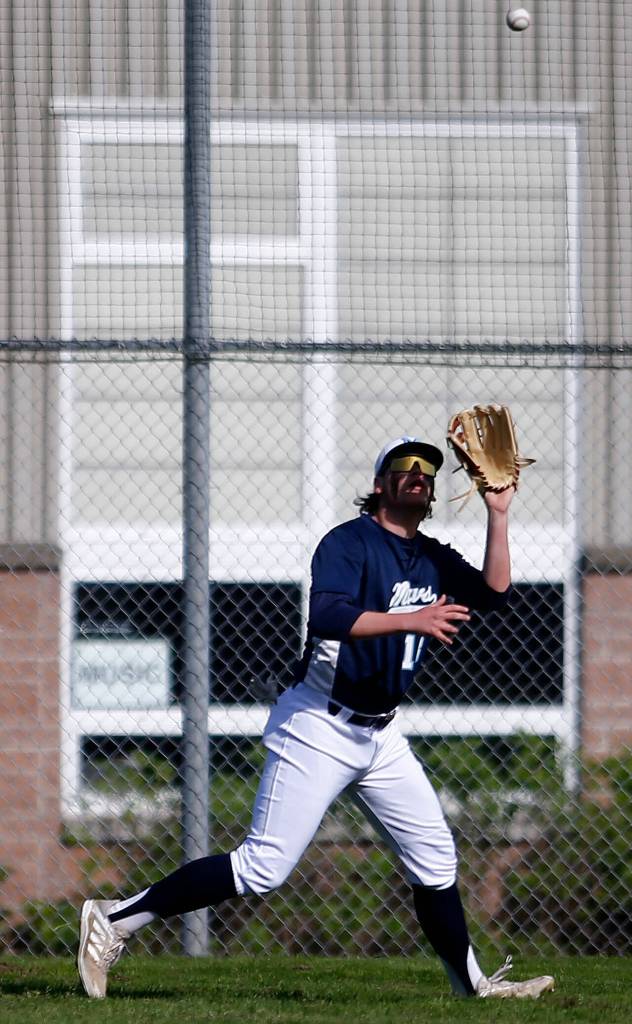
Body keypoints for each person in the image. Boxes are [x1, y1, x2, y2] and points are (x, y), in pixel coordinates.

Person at [77, 435, 554, 1000]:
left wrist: (499, 514)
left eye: (429, 468)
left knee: (435, 857)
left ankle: (471, 987)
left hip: (380, 734)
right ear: (380, 484)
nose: (419, 473)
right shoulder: (347, 543)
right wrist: (411, 619)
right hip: (318, 724)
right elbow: (328, 615)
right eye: (405, 465)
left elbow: (495, 594)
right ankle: (114, 920)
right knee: (263, 869)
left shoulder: (430, 554)